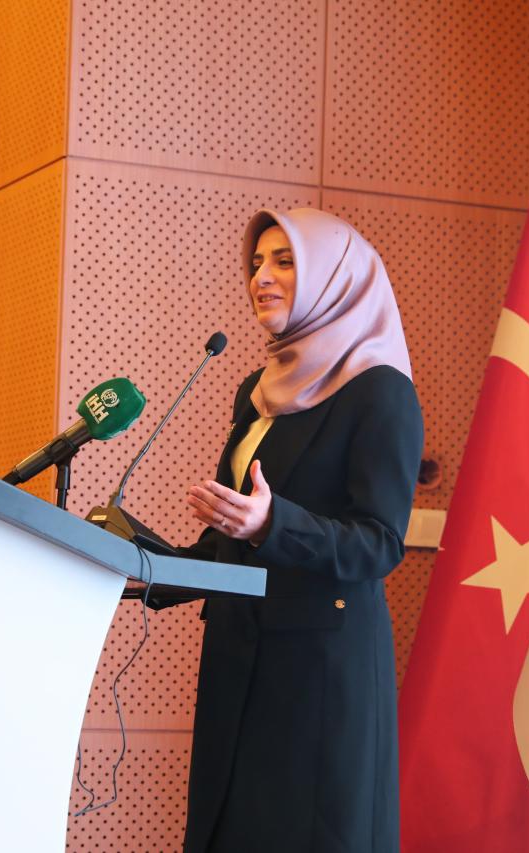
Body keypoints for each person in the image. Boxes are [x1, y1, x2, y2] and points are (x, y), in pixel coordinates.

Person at [179, 208, 424, 852]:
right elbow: (230, 533)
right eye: (257, 262)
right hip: (239, 659)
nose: (260, 277)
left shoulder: (380, 392)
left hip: (319, 677)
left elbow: (379, 542)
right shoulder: (256, 391)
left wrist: (272, 523)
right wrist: (139, 568)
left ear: (334, 278)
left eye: (285, 262)